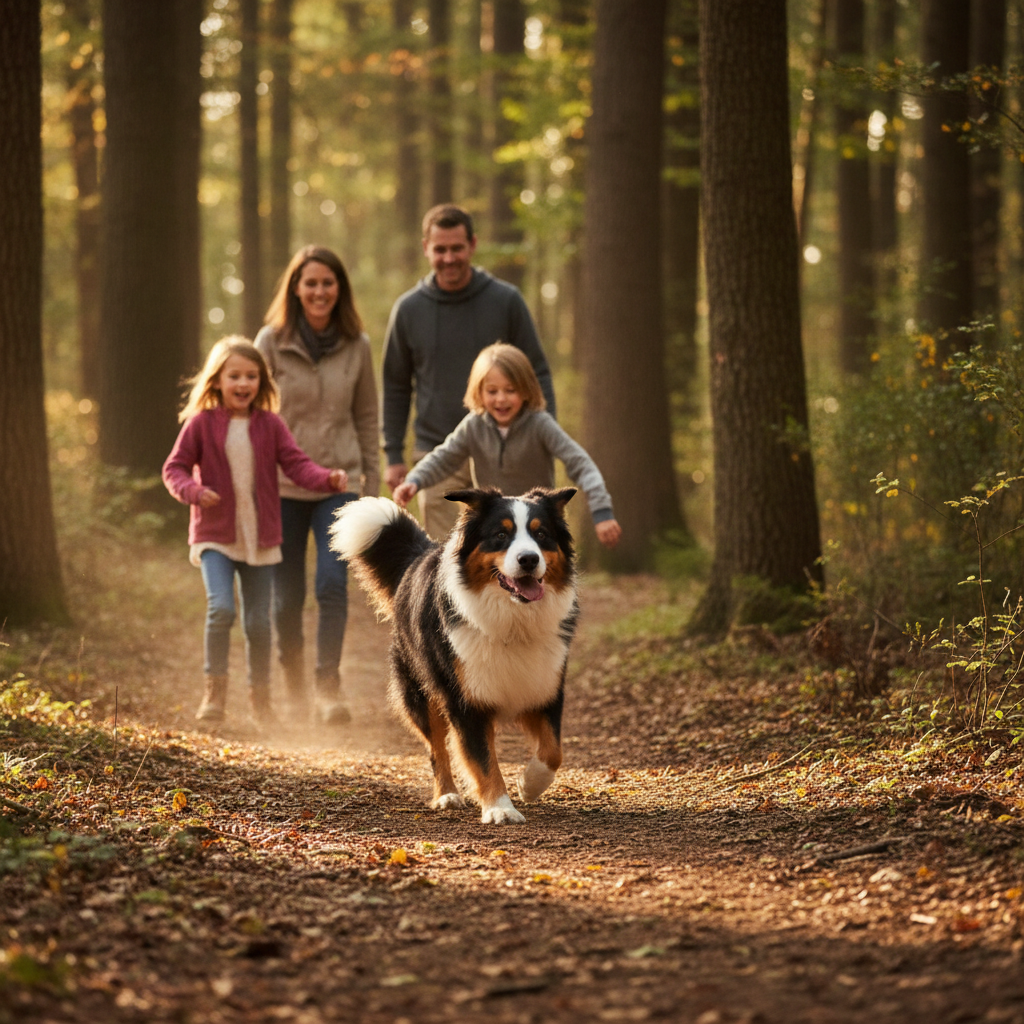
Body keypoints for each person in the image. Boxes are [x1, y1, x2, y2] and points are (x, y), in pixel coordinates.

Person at [162, 336, 347, 730]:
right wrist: (194, 491)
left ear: (261, 383)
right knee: (222, 608)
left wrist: (327, 479)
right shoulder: (201, 424)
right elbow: (173, 468)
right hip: (214, 535)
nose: (243, 384)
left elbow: (297, 465)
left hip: (260, 538)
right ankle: (214, 694)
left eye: (251, 376)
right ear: (217, 381)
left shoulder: (271, 425)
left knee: (259, 623)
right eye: (234, 376)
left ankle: (261, 701)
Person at [255, 245, 379, 727]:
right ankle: (293, 685)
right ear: (296, 288)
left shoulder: (358, 345)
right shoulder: (270, 340)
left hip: (339, 482)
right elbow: (254, 413)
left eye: (328, 283)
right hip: (281, 487)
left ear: (339, 289)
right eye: (311, 283)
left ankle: (328, 685)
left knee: (331, 585)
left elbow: (366, 416)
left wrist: (370, 480)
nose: (320, 291)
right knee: (285, 596)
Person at [382, 203, 557, 539]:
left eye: (457, 248)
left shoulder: (505, 301)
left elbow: (537, 373)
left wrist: (544, 431)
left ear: (472, 245)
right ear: (426, 249)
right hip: (436, 453)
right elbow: (395, 386)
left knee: (507, 557)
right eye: (440, 249)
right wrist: (393, 453)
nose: (449, 257)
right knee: (447, 564)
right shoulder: (409, 309)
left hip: (503, 453)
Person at [393, 343, 622, 549]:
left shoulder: (540, 424)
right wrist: (415, 480)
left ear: (526, 390)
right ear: (479, 393)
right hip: (496, 526)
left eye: (510, 390)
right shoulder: (474, 425)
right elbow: (443, 457)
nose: (500, 399)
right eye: (492, 391)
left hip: (536, 525)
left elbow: (580, 463)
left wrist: (602, 511)